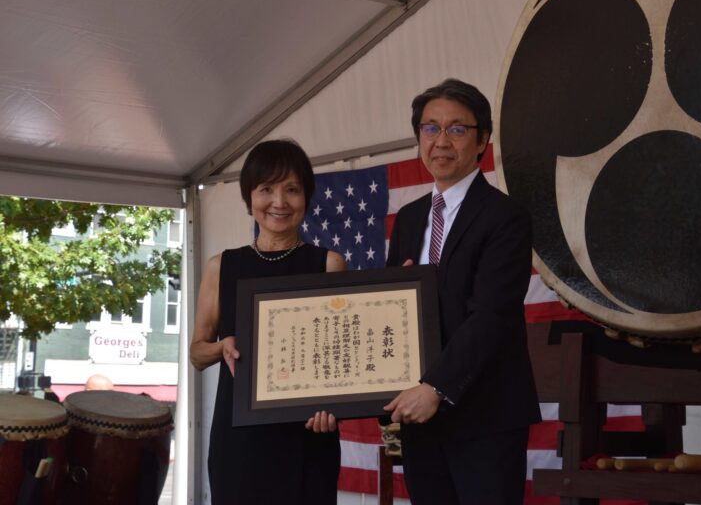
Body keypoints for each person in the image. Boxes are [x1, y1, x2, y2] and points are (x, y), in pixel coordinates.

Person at [383, 79, 541, 504]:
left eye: (456, 129)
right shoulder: (409, 219)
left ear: (482, 140)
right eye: (430, 128)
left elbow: (492, 314)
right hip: (419, 419)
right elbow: (389, 315)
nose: (441, 141)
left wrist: (435, 387)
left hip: (485, 415)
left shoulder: (505, 217)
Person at [189, 139, 345, 505]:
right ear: (249, 198)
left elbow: (341, 358)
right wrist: (222, 346)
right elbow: (197, 353)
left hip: (307, 434)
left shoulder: (328, 264)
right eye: (266, 189)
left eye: (292, 189)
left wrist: (334, 406)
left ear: (306, 197)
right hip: (238, 440)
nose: (279, 202)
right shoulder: (221, 266)